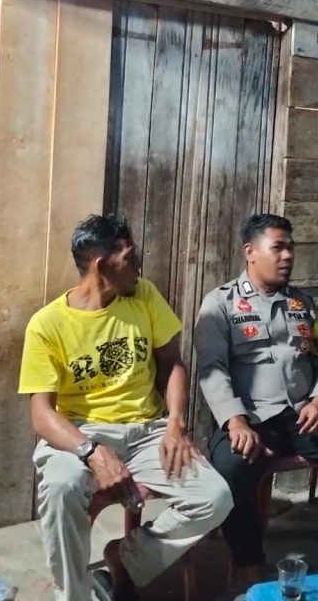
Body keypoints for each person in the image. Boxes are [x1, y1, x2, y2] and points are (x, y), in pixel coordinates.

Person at [19, 214, 233, 601]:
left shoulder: (143, 295)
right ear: (102, 265)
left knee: (215, 497)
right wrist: (91, 452)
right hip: (81, 433)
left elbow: (172, 363)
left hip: (148, 431)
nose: (139, 266)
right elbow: (42, 414)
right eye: (131, 257)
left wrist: (175, 424)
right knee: (62, 487)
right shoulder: (47, 325)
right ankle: (74, 596)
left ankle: (126, 560)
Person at [195, 213, 318, 584]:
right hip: (252, 419)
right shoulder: (220, 304)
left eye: (291, 248)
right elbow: (212, 370)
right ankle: (249, 568)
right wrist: (235, 421)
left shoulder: (304, 305)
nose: (288, 256)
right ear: (250, 252)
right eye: (278, 248)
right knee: (230, 468)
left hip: (306, 415)